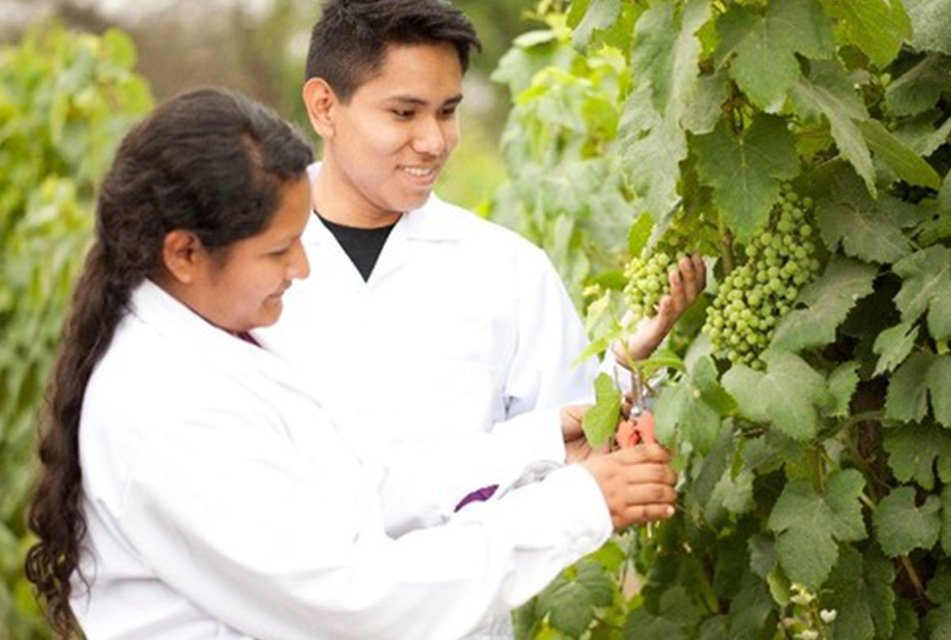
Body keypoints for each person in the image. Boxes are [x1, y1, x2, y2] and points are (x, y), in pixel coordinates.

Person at [24, 88, 679, 640]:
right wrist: (576, 505)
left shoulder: (215, 345)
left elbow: (358, 492)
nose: (302, 269)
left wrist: (540, 441)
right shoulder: (165, 410)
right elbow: (355, 599)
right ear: (185, 254)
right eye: (280, 251)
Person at [257, 0, 704, 527]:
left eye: (447, 111)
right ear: (324, 107)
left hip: (465, 608)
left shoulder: (507, 270)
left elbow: (569, 452)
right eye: (404, 113)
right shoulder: (241, 261)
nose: (433, 142)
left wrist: (624, 370)